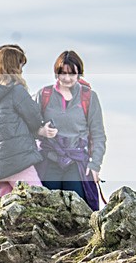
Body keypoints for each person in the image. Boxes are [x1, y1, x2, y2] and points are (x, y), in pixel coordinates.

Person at [0, 45, 57, 196]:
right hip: (15, 160)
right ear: (15, 65)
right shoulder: (15, 89)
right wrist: (41, 130)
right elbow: (34, 118)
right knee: (37, 198)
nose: (22, 70)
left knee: (8, 206)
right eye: (21, 65)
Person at [34, 51, 106, 210]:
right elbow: (28, 125)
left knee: (78, 210)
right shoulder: (43, 94)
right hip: (48, 160)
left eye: (72, 73)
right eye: (62, 73)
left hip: (76, 162)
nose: (67, 78)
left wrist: (95, 165)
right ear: (56, 73)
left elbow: (98, 135)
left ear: (79, 73)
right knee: (45, 209)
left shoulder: (89, 97)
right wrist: (41, 131)